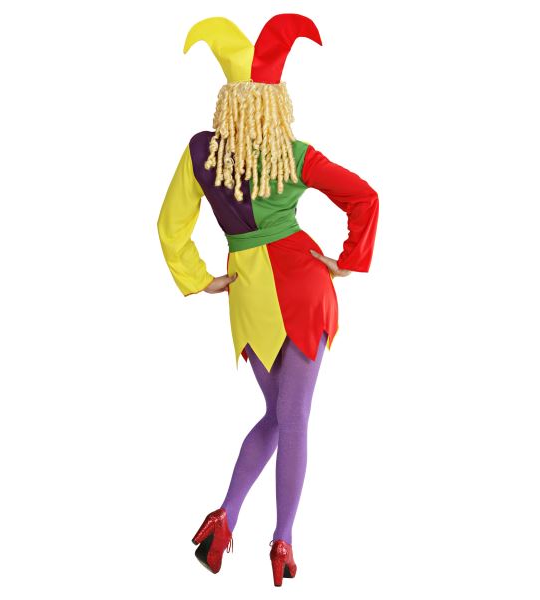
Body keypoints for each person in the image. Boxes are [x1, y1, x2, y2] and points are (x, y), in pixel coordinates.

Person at [156, 13, 379, 587]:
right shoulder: (292, 153)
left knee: (279, 415)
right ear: (275, 104)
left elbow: (169, 226)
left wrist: (199, 276)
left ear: (228, 103)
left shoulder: (203, 154)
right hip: (303, 287)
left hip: (248, 294)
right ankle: (282, 541)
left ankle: (224, 518)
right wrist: (349, 260)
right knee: (293, 417)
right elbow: (365, 197)